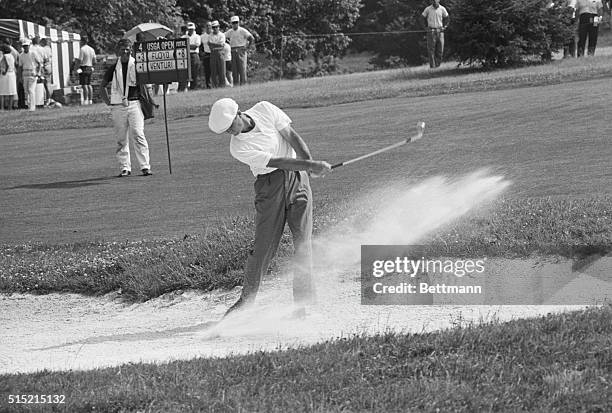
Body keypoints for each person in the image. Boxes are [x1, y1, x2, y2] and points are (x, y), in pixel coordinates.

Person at [208, 98, 332, 317]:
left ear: (238, 114)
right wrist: (311, 165)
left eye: (230, 126)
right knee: (264, 248)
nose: (230, 132)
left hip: (298, 179)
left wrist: (309, 164)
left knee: (303, 242)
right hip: (269, 188)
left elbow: (291, 136)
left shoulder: (265, 109)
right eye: (226, 130)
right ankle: (245, 303)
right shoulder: (238, 147)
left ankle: (302, 303)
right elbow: (278, 162)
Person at [99, 38, 153, 177]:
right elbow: (102, 86)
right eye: (123, 49)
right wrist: (109, 103)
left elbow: (148, 81)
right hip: (118, 105)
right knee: (121, 138)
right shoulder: (113, 68)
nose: (125, 51)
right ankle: (125, 167)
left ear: (131, 50)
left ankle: (145, 166)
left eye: (128, 49)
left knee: (138, 134)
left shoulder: (137, 65)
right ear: (118, 50)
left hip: (134, 103)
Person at [224, 16, 254, 86]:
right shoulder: (230, 32)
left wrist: (247, 47)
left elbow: (251, 38)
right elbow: (223, 36)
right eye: (233, 23)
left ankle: (243, 84)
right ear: (231, 23)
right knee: (234, 69)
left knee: (242, 68)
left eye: (236, 22)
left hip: (241, 50)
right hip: (233, 50)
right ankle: (236, 85)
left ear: (238, 23)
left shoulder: (242, 30)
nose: (235, 24)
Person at [421, 0, 449, 69]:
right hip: (431, 31)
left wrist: (444, 27)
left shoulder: (442, 8)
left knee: (440, 50)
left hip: (440, 31)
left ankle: (438, 66)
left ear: (438, 0)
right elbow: (421, 18)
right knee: (431, 50)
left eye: (435, 0)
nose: (434, 1)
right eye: (433, 0)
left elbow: (447, 19)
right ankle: (432, 67)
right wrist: (425, 28)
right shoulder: (428, 9)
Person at [19, 38, 43, 111]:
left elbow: (39, 63)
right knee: (26, 91)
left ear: (29, 46)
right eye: (24, 46)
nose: (25, 47)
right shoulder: (21, 55)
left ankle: (32, 107)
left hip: (32, 72)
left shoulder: (33, 53)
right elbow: (20, 67)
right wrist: (20, 77)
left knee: (31, 90)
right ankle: (29, 105)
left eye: (27, 46)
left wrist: (38, 73)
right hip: (25, 73)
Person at [77, 36, 96, 104]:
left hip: (84, 67)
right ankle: (90, 100)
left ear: (82, 41)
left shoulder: (82, 49)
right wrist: (92, 66)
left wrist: (77, 67)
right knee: (89, 84)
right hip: (90, 67)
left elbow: (80, 60)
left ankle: (85, 100)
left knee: (84, 84)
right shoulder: (92, 49)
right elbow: (94, 60)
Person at [208, 20, 226, 88]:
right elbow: (210, 46)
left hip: (220, 53)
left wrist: (213, 44)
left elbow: (222, 45)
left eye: (216, 27)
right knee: (213, 71)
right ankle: (214, 86)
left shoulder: (222, 35)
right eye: (213, 27)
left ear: (218, 27)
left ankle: (222, 86)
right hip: (213, 54)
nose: (215, 28)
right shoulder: (210, 35)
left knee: (222, 71)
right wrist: (217, 45)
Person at [0, 44, 17, 110]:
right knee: (11, 92)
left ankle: (2, 107)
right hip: (12, 74)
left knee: (2, 92)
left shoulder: (4, 56)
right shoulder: (11, 56)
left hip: (5, 74)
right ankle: (10, 107)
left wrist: (4, 71)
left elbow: (6, 65)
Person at [186, 22, 201, 90]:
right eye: (189, 29)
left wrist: (187, 45)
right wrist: (190, 46)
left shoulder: (197, 36)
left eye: (192, 29)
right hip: (186, 55)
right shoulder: (184, 37)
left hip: (194, 55)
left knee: (195, 72)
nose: (191, 30)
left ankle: (194, 87)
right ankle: (186, 88)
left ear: (194, 29)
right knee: (186, 72)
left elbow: (195, 46)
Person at [39, 37, 53, 105]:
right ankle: (48, 99)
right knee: (48, 84)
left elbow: (43, 59)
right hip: (49, 67)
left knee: (45, 85)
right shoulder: (49, 48)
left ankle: (47, 100)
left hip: (45, 67)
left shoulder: (43, 49)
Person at [200, 21, 212, 89]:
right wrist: (201, 53)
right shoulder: (202, 36)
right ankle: (208, 86)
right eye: (207, 26)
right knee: (207, 71)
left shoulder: (214, 34)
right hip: (206, 54)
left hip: (214, 54)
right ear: (205, 27)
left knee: (215, 71)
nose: (208, 27)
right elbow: (200, 46)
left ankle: (216, 85)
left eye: (209, 26)